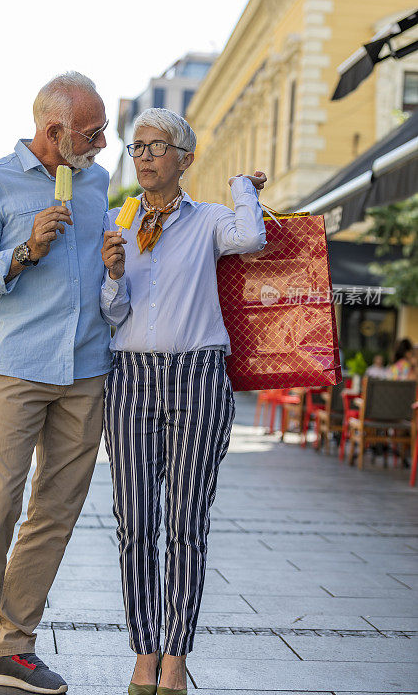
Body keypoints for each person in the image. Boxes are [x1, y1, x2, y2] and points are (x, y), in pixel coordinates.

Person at [0, 72, 111, 695]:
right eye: (92, 131)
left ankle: (12, 646)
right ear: (54, 131)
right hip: (19, 365)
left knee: (55, 513)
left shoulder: (96, 182)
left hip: (87, 367)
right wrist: (22, 252)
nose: (103, 141)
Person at [100, 107, 267, 695]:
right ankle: (144, 651)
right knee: (134, 521)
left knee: (185, 521)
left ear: (184, 158)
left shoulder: (209, 221)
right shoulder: (120, 223)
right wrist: (114, 274)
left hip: (197, 374)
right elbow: (113, 315)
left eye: (155, 147)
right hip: (130, 377)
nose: (143, 157)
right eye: (136, 148)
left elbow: (251, 237)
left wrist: (243, 188)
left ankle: (176, 655)